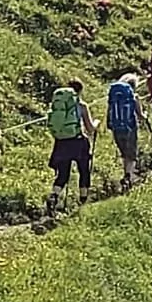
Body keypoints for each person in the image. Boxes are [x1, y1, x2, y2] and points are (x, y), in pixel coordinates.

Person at [45, 79, 98, 216]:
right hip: (78, 142)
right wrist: (97, 123)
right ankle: (83, 201)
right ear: (79, 91)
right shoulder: (82, 106)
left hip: (61, 142)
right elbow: (90, 128)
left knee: (63, 174)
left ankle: (54, 196)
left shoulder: (59, 106)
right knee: (83, 171)